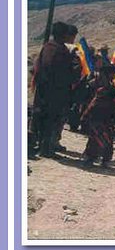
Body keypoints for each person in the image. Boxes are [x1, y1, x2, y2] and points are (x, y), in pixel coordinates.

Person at [30, 22, 79, 158]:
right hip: (54, 92)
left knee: (44, 119)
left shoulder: (48, 47)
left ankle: (41, 145)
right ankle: (46, 149)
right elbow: (60, 72)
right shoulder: (58, 50)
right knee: (49, 120)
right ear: (63, 35)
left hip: (45, 91)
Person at [81, 85, 115, 167]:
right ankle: (99, 159)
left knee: (96, 142)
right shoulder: (108, 103)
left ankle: (92, 158)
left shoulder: (97, 101)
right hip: (101, 124)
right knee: (101, 142)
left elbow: (88, 112)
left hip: (100, 124)